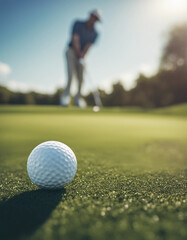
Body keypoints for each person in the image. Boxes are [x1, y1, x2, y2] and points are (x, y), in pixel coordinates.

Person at [60, 9, 102, 107]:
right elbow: (75, 39)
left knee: (81, 79)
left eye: (96, 19)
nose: (93, 20)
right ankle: (65, 98)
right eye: (93, 17)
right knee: (71, 75)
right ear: (90, 16)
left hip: (82, 55)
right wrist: (78, 53)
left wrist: (82, 56)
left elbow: (88, 46)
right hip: (71, 51)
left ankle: (78, 99)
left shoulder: (95, 33)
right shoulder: (78, 23)